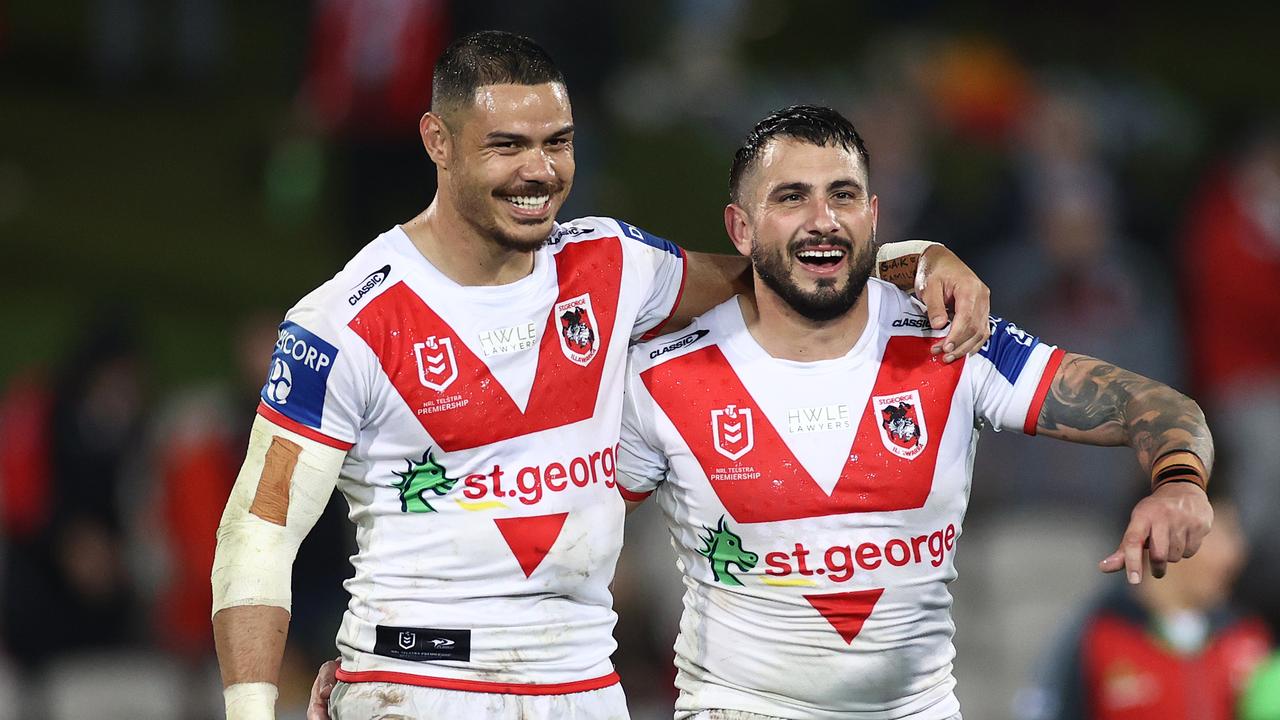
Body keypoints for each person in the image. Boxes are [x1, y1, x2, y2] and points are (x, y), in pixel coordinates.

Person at [212, 31, 992, 720]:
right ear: (437, 141)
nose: (540, 170)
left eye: (558, 141)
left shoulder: (611, 263)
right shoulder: (343, 319)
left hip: (584, 688)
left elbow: (772, 277)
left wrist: (907, 259)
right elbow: (259, 528)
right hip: (418, 683)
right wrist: (251, 710)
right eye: (507, 145)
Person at [611, 105, 1215, 719]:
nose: (823, 220)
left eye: (842, 195)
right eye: (792, 198)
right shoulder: (659, 377)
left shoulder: (951, 340)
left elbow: (1151, 402)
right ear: (740, 229)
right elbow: (573, 538)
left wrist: (1180, 483)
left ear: (872, 216)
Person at [1022, 498, 1271, 720]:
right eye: (1218, 534)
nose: (1234, 554)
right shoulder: (1093, 635)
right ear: (1164, 536)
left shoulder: (1249, 636)